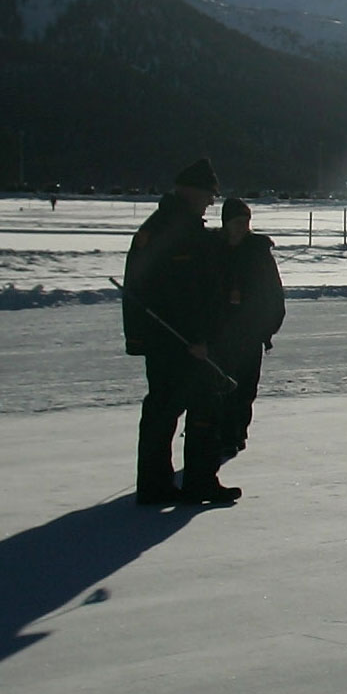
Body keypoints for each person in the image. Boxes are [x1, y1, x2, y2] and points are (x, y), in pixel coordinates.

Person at [124, 159, 227, 505]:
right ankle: (163, 485)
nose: (211, 202)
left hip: (185, 341)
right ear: (191, 191)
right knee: (171, 411)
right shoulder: (168, 229)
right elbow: (172, 296)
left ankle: (192, 481)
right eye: (209, 195)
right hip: (175, 342)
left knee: (193, 410)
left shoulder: (184, 227)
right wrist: (194, 339)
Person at [189, 195, 287, 492]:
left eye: (245, 222)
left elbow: (274, 295)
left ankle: (235, 433)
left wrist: (266, 328)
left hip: (249, 333)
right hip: (219, 334)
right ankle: (216, 434)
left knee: (245, 387)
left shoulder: (258, 253)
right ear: (226, 223)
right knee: (219, 387)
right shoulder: (214, 250)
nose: (241, 227)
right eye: (236, 222)